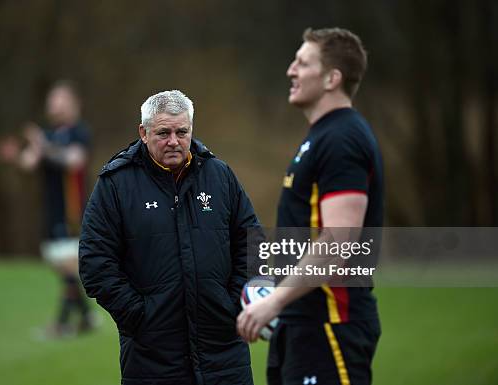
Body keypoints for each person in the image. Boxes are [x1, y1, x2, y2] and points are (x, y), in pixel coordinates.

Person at [79, 90, 259, 385]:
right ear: (144, 133)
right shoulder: (116, 184)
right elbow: (95, 262)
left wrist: (234, 304)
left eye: (181, 132)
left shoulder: (220, 175)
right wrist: (139, 317)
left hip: (224, 353)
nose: (174, 141)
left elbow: (253, 242)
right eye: (163, 132)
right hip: (152, 358)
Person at [237, 28, 384, 385]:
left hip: (331, 325)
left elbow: (339, 240)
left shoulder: (342, 139)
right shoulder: (322, 137)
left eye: (302, 63)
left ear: (332, 78)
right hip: (303, 324)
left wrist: (275, 301)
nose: (291, 70)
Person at [0, 80, 94, 337]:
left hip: (72, 211)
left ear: (74, 104)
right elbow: (30, 162)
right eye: (52, 100)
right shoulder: (48, 135)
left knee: (68, 265)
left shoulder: (79, 132)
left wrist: (43, 145)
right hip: (51, 210)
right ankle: (86, 317)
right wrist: (15, 156)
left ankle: (63, 323)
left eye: (59, 99)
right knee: (58, 262)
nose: (54, 105)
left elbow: (74, 161)